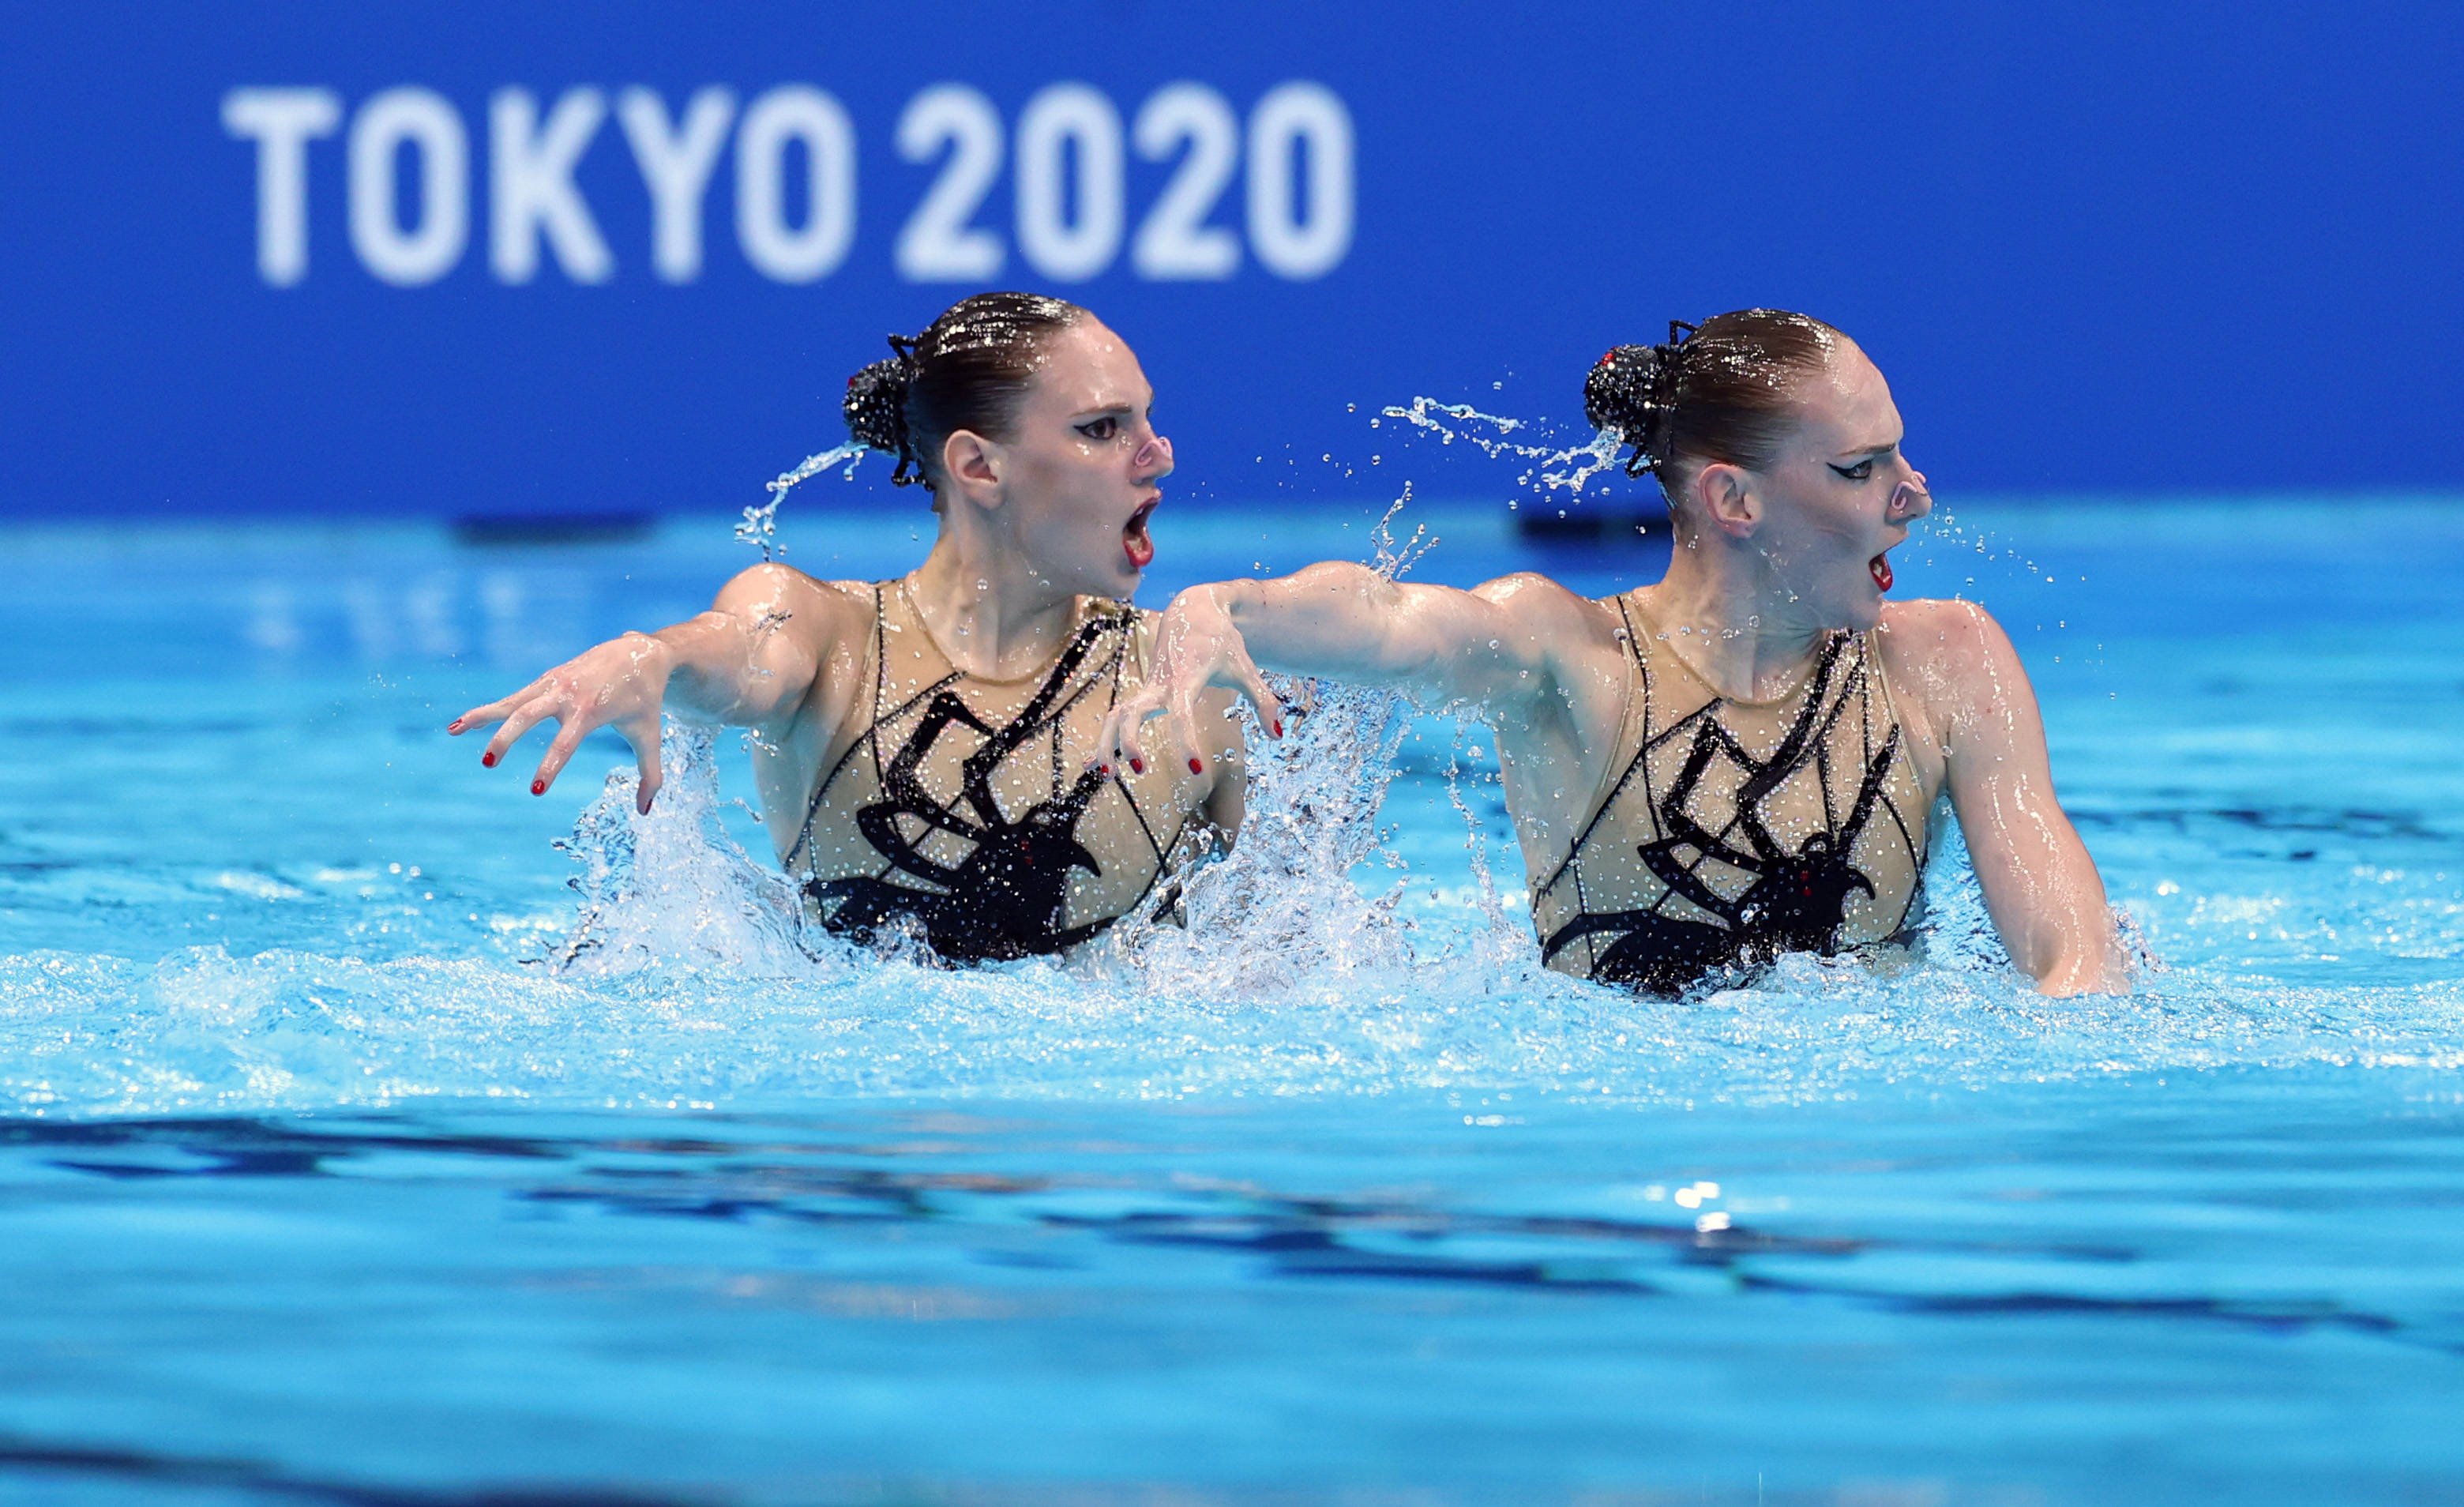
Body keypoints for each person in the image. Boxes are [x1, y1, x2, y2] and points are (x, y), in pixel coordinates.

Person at [1096, 310, 2125, 996]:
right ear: (1734, 499)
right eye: (1862, 469)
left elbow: (2074, 954)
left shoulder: (1950, 663)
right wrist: (1224, 606)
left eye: (1899, 453)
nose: (1914, 494)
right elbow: (1392, 623)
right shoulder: (1576, 664)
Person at [451, 292, 1245, 964]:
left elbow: (1279, 955)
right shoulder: (838, 641)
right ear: (978, 467)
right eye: (1102, 429)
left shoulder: (1196, 683)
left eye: (1146, 419)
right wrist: (653, 656)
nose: (1159, 456)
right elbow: (742, 649)